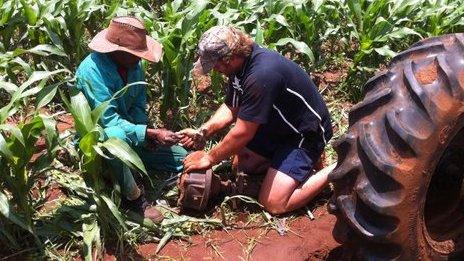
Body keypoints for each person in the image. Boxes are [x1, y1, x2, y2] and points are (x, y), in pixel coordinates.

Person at [179, 26, 333, 214]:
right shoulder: (239, 68)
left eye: (216, 65)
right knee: (241, 164)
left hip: (305, 133)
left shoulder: (261, 74)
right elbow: (231, 108)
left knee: (273, 203)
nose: (215, 70)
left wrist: (210, 157)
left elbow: (243, 132)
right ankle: (292, 170)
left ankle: (335, 169)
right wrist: (203, 131)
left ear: (229, 58)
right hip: (276, 125)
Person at [75, 16, 187, 223]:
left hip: (131, 134)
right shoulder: (92, 71)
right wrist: (147, 133)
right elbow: (107, 122)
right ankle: (132, 199)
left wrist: (146, 135)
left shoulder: (134, 66)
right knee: (116, 138)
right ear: (117, 51)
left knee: (183, 157)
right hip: (100, 143)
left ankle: (133, 168)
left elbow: (137, 105)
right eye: (135, 54)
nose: (140, 58)